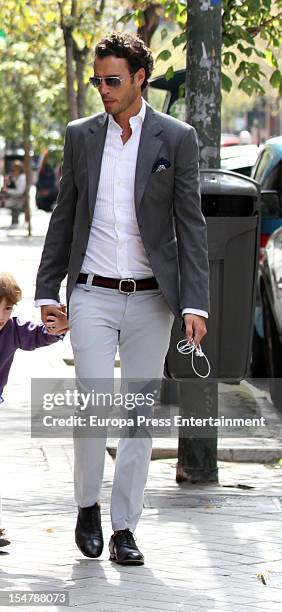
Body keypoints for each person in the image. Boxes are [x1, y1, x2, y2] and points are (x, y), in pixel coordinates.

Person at [35, 32, 210, 566]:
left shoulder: (176, 139)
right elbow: (65, 215)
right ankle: (86, 504)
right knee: (92, 405)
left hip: (153, 299)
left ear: (140, 78)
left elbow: (190, 224)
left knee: (138, 415)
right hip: (91, 292)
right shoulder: (81, 135)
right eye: (97, 81)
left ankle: (125, 528)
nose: (104, 90)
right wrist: (46, 291)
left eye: (113, 80)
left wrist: (194, 305)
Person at [0, 272, 68, 547]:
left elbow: (39, 336)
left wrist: (59, 326)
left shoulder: (13, 329)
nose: (2, 315)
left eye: (6, 308)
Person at [0, 161, 26, 228]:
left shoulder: (22, 178)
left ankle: (15, 223)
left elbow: (19, 192)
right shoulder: (15, 177)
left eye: (14, 170)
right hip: (13, 198)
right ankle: (14, 223)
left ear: (19, 170)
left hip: (19, 200)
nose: (12, 171)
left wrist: (7, 190)